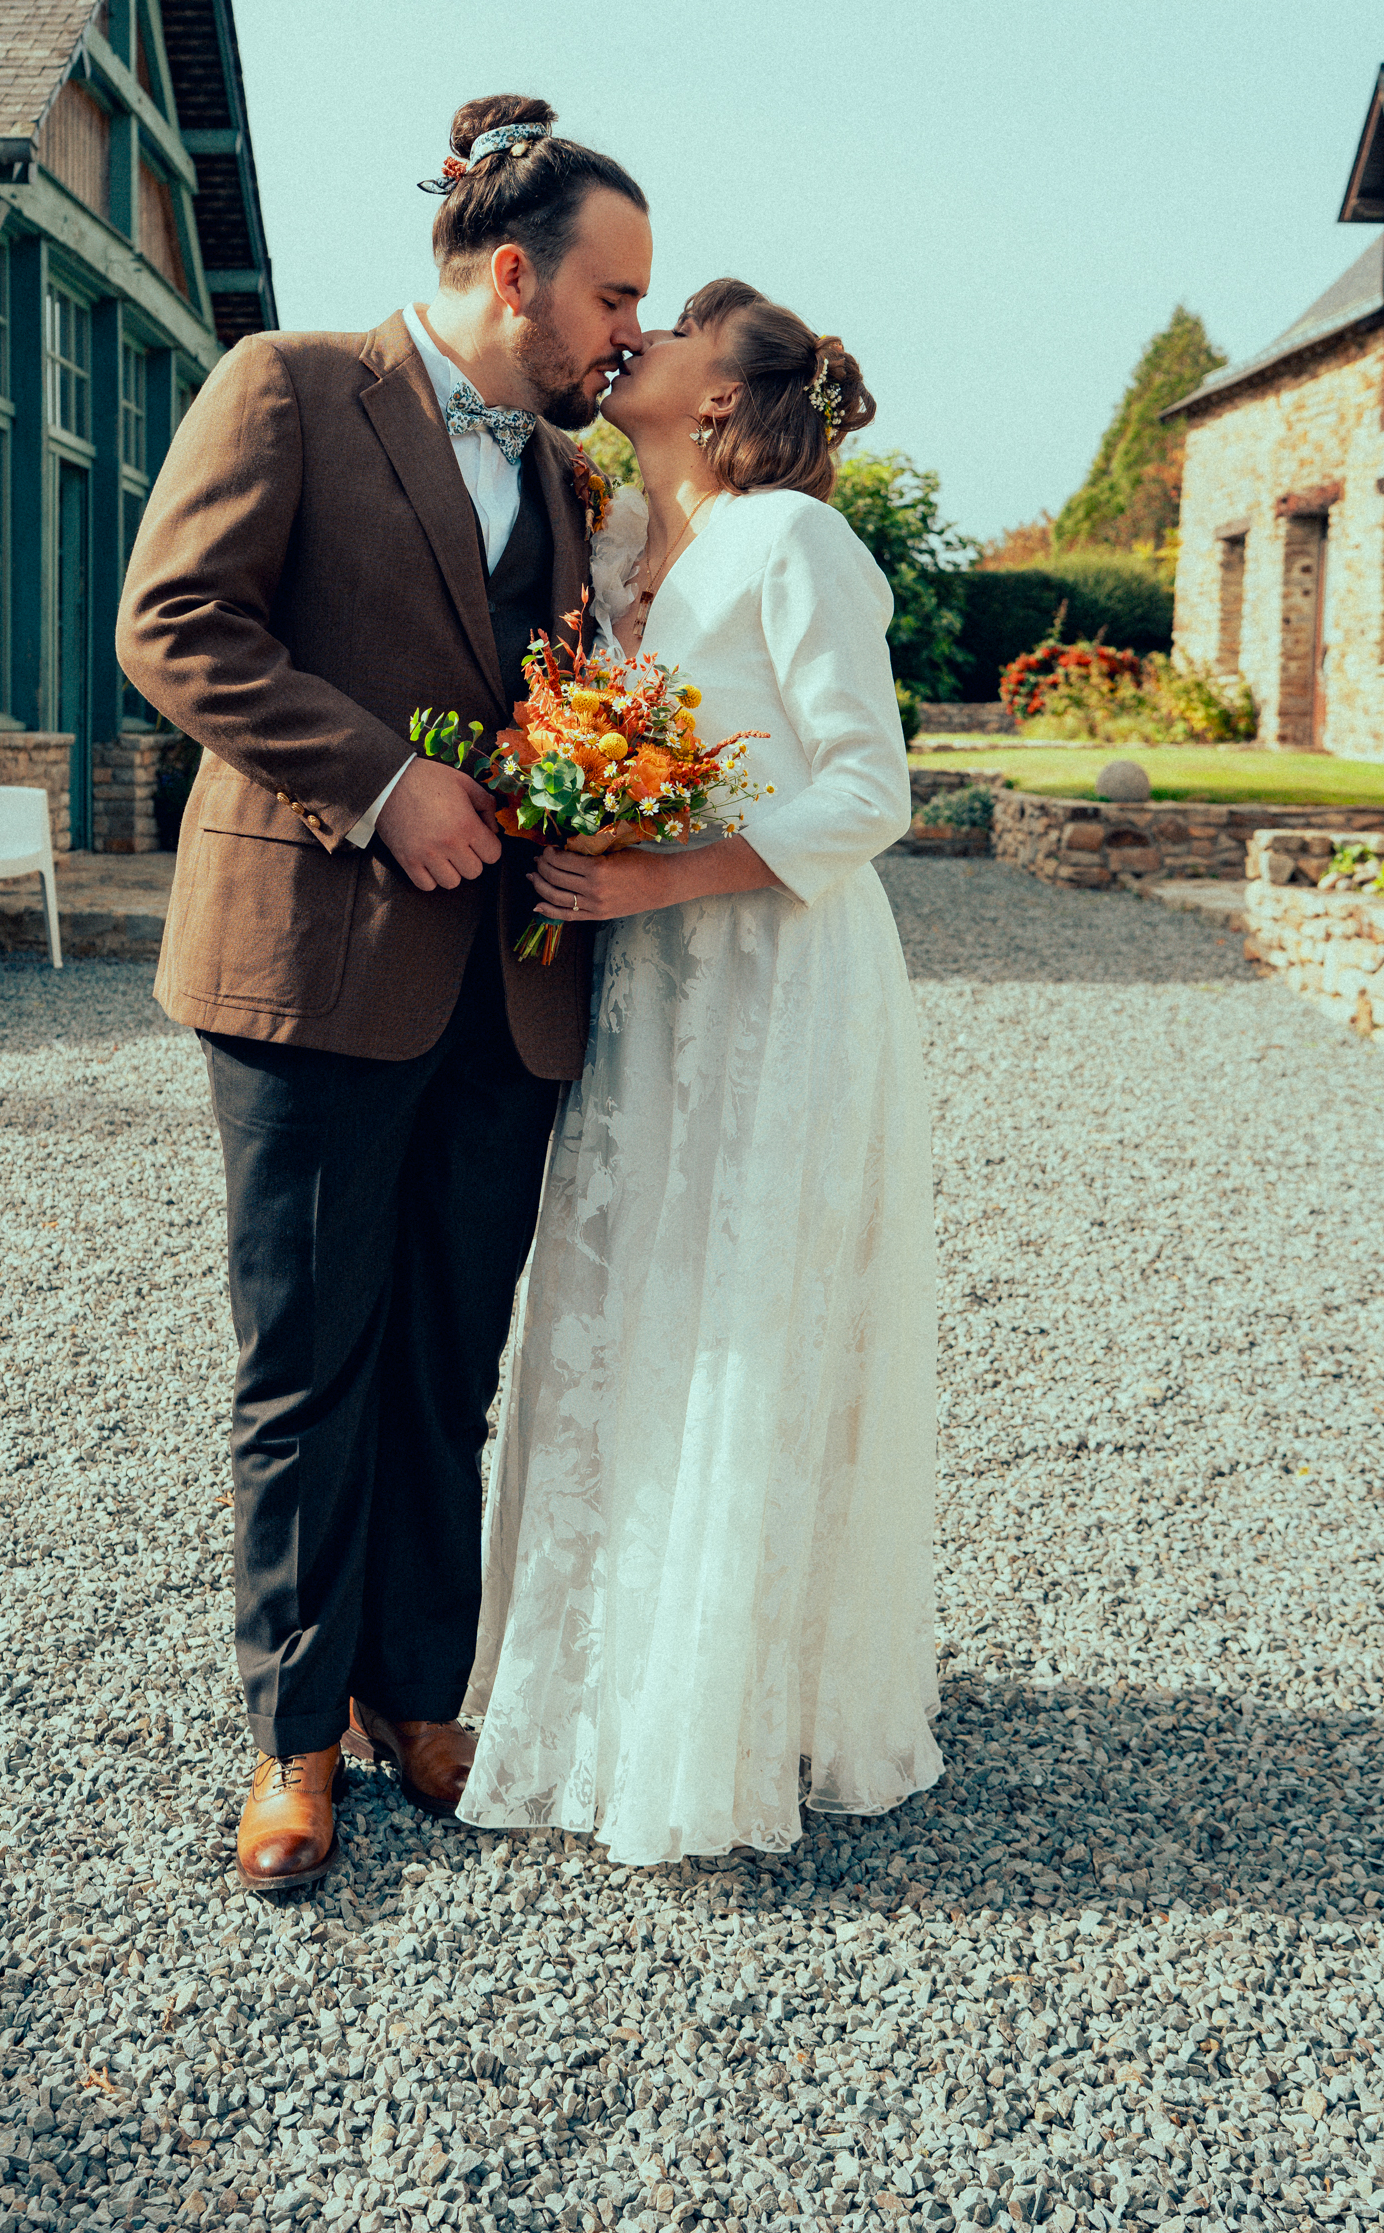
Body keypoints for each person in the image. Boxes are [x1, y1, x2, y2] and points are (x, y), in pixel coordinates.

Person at [115, 95, 652, 1891]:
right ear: (513, 274)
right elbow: (175, 624)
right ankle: (290, 1737)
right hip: (314, 971)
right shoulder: (286, 385)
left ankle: (417, 1691)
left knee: (446, 1363)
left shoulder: (566, 475)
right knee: (306, 1369)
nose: (632, 332)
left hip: (511, 991)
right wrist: (381, 781)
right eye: (612, 296)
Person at [458, 279, 942, 1864]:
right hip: (646, 990)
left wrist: (665, 875)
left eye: (667, 334)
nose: (635, 342)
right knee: (629, 1299)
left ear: (720, 395)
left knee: (745, 1307)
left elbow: (870, 790)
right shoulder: (611, 547)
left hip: (775, 979)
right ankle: (608, 1681)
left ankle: (732, 1703)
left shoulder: (793, 542)